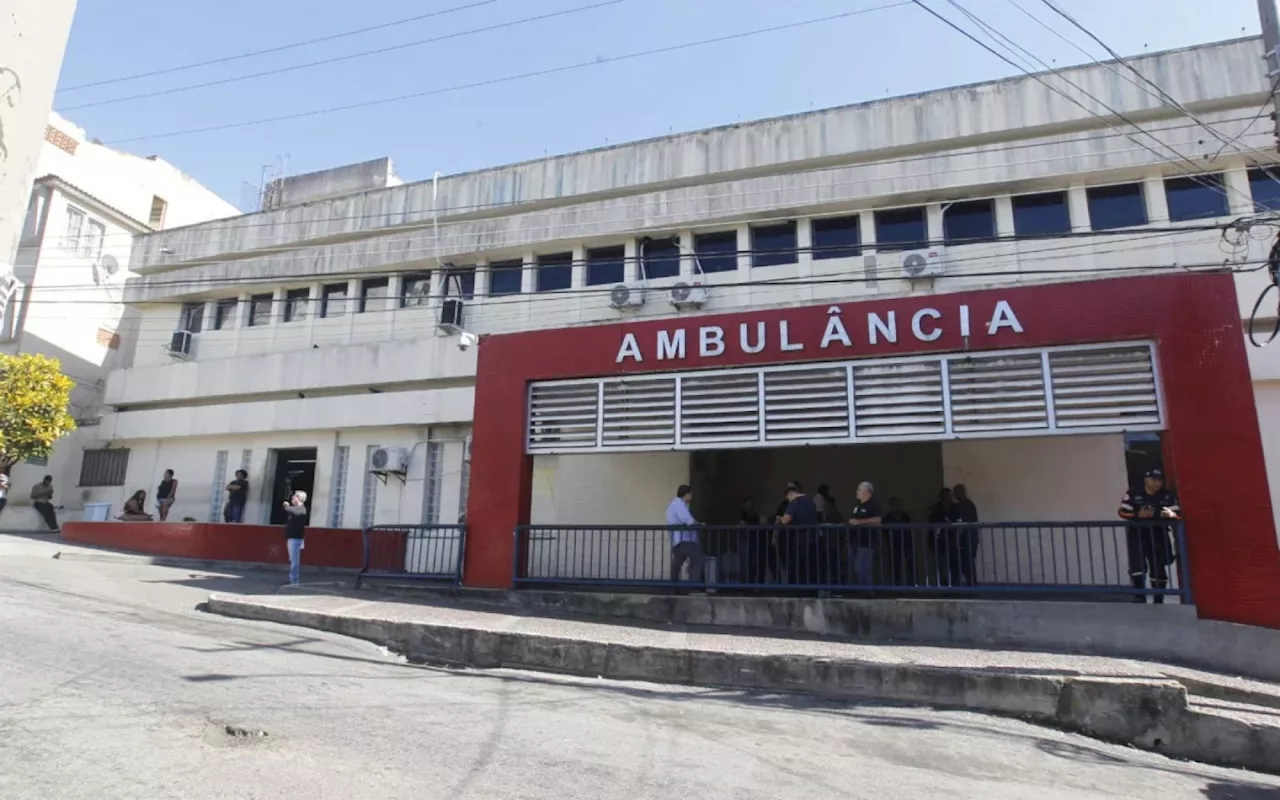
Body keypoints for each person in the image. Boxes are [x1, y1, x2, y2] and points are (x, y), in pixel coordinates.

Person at [1118, 469, 1181, 604]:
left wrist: (1158, 514)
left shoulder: (1167, 495)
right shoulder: (1134, 493)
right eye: (1154, 480)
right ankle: (1139, 595)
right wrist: (1137, 515)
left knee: (1158, 565)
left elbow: (1176, 514)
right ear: (1146, 480)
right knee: (1137, 565)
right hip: (1137, 533)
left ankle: (1159, 598)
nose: (1157, 483)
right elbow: (1122, 512)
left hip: (1158, 533)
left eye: (1160, 480)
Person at [778, 481, 821, 585]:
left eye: (788, 498)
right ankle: (811, 589)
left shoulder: (794, 503)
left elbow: (786, 520)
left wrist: (779, 518)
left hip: (799, 540)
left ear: (791, 494)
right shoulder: (811, 503)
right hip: (812, 539)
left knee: (798, 567)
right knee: (810, 566)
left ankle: (798, 589)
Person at [666, 484, 705, 586]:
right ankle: (694, 586)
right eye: (690, 494)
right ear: (686, 494)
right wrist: (700, 524)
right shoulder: (678, 505)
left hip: (679, 541)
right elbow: (689, 521)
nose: (691, 497)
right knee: (698, 558)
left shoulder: (675, 505)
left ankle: (672, 589)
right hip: (684, 540)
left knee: (677, 565)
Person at [846, 481, 882, 585]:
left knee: (862, 567)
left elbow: (877, 520)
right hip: (854, 541)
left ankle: (867, 591)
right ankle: (860, 589)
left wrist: (859, 522)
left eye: (859, 490)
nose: (857, 492)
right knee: (854, 567)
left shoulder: (873, 505)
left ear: (866, 492)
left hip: (867, 542)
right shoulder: (856, 506)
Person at [950, 484, 981, 587]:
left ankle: (971, 586)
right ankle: (971, 586)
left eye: (955, 492)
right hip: (972, 539)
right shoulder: (970, 504)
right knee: (968, 564)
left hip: (966, 540)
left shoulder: (962, 506)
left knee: (966, 564)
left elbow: (961, 524)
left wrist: (956, 540)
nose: (953, 494)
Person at [883, 497, 915, 586]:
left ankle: (911, 584)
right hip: (894, 544)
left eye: (897, 504)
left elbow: (909, 528)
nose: (895, 507)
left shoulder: (905, 516)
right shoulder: (887, 517)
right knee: (895, 565)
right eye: (893, 504)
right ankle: (897, 585)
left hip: (906, 542)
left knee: (910, 564)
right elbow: (885, 531)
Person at [282, 490, 309, 586]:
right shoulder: (295, 510)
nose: (292, 498)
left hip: (296, 538)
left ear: (299, 498)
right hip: (291, 537)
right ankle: (292, 579)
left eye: (294, 497)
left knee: (294, 560)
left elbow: (288, 509)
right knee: (292, 559)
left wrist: (286, 505)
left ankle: (294, 580)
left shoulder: (301, 509)